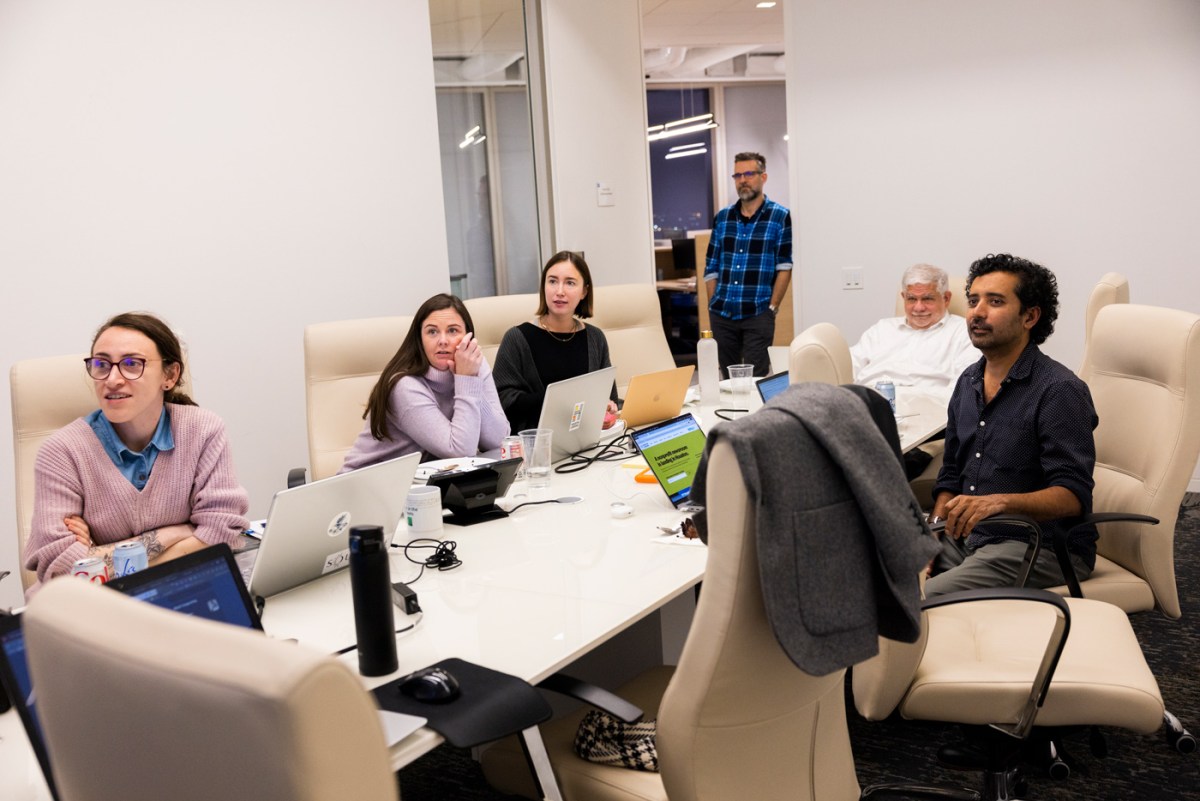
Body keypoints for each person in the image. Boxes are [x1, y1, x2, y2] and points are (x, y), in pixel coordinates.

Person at [23, 312, 249, 596]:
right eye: (102, 364)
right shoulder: (61, 451)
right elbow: (61, 569)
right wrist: (175, 533)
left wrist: (98, 554)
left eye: (132, 364)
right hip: (91, 605)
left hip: (185, 591)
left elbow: (222, 533)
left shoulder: (203, 430)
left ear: (169, 375)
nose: (112, 379)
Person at [924, 254, 1098, 596]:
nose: (977, 312)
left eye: (995, 302)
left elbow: (1073, 496)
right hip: (967, 537)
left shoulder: (1059, 390)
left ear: (1030, 316)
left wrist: (999, 502)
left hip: (1038, 545)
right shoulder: (968, 381)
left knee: (922, 599)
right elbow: (950, 475)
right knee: (880, 579)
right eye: (973, 301)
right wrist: (932, 532)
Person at [340, 293, 508, 472]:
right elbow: (460, 453)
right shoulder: (405, 386)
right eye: (432, 332)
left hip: (421, 482)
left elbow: (499, 441)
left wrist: (470, 379)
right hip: (367, 482)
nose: (443, 341)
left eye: (452, 330)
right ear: (420, 339)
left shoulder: (473, 366)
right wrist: (466, 381)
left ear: (468, 337)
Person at [492, 251, 619, 434]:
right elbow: (501, 403)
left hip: (585, 439)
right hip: (536, 442)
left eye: (570, 283)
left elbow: (609, 397)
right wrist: (559, 399)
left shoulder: (595, 338)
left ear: (584, 291)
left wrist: (608, 409)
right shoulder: (516, 338)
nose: (559, 291)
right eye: (552, 281)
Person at [704, 151, 793, 376]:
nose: (742, 180)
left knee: (755, 380)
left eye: (749, 174)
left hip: (758, 313)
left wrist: (772, 308)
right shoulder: (723, 218)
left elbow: (784, 266)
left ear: (763, 177)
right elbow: (711, 267)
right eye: (737, 175)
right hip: (722, 314)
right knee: (727, 380)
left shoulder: (779, 216)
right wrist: (713, 304)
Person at [850, 263, 978, 401]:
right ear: (903, 297)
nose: (918, 308)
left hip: (922, 406)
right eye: (911, 299)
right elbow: (848, 367)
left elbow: (962, 388)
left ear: (946, 298)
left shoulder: (964, 333)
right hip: (863, 401)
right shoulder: (881, 329)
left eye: (927, 299)